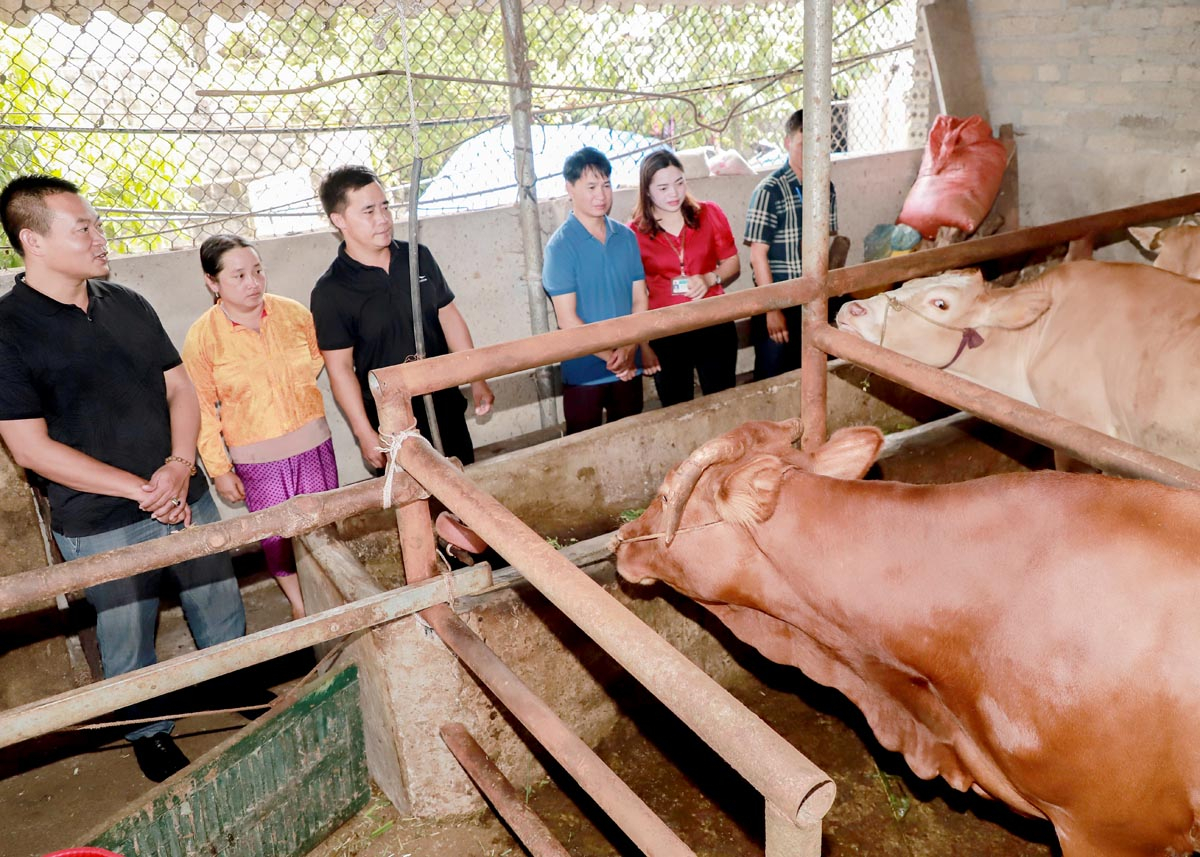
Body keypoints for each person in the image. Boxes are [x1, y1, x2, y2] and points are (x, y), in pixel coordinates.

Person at [0, 175, 247, 784]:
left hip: (184, 493)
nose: (98, 235)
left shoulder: (127, 302)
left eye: (96, 224)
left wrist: (180, 464)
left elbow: (179, 387)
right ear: (32, 240)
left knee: (218, 603)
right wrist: (140, 489)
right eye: (82, 227)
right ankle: (149, 732)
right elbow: (31, 449)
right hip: (102, 519)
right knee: (125, 635)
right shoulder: (9, 330)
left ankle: (236, 688)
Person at [182, 234, 338, 621]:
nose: (253, 283)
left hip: (313, 444)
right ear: (212, 283)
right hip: (258, 459)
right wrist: (219, 469)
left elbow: (318, 361)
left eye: (257, 271)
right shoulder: (203, 338)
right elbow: (201, 408)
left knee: (324, 526)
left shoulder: (293, 314)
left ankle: (333, 594)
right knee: (276, 536)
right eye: (238, 276)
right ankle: (300, 603)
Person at [310, 166, 494, 473]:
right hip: (392, 422)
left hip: (445, 402)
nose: (382, 219)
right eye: (368, 211)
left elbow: (449, 318)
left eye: (385, 207)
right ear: (338, 220)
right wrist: (364, 432)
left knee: (464, 493)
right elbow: (340, 369)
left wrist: (476, 378)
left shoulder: (417, 257)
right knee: (417, 511)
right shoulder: (331, 291)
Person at [543, 147, 657, 434]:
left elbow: (640, 299)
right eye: (591, 186)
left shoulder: (626, 237)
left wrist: (631, 348)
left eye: (606, 185)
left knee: (632, 443)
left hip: (630, 365)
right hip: (585, 370)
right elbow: (567, 320)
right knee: (584, 454)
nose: (601, 195)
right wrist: (614, 358)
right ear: (569, 188)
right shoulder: (560, 247)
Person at [629, 149, 740, 407]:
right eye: (663, 187)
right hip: (667, 330)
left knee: (722, 400)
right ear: (647, 190)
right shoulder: (634, 232)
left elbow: (732, 263)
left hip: (713, 320)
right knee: (677, 406)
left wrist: (710, 278)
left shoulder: (709, 213)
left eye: (679, 183)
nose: (674, 193)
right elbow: (636, 294)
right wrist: (642, 343)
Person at [743, 109, 839, 380]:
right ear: (787, 142)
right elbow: (757, 256)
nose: (810, 153)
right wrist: (772, 310)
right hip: (778, 299)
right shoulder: (768, 191)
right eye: (802, 144)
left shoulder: (825, 187)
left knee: (813, 374)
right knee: (774, 377)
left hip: (813, 297)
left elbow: (824, 247)